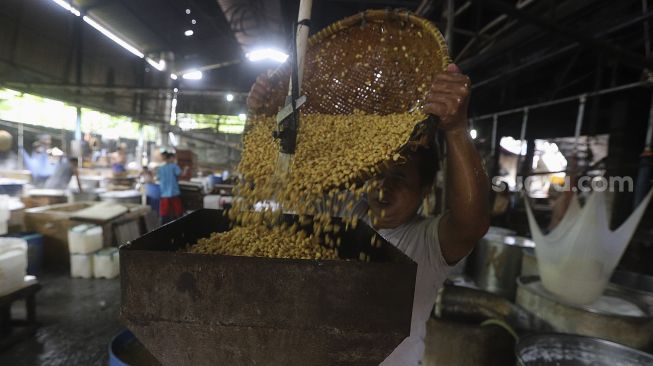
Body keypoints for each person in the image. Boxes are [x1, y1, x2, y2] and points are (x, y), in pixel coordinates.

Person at [248, 63, 489, 365]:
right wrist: (264, 118)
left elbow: (472, 224)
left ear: (425, 189)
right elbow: (289, 177)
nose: (383, 188)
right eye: (379, 174)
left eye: (400, 178)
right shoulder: (341, 210)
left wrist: (455, 129)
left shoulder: (428, 242)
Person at [157, 149, 183, 224]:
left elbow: (158, 178)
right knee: (177, 211)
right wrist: (185, 170)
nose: (174, 159)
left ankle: (164, 225)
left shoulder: (161, 168)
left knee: (165, 213)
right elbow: (180, 174)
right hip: (173, 192)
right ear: (170, 158)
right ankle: (180, 224)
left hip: (164, 193)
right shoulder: (174, 166)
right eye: (173, 158)